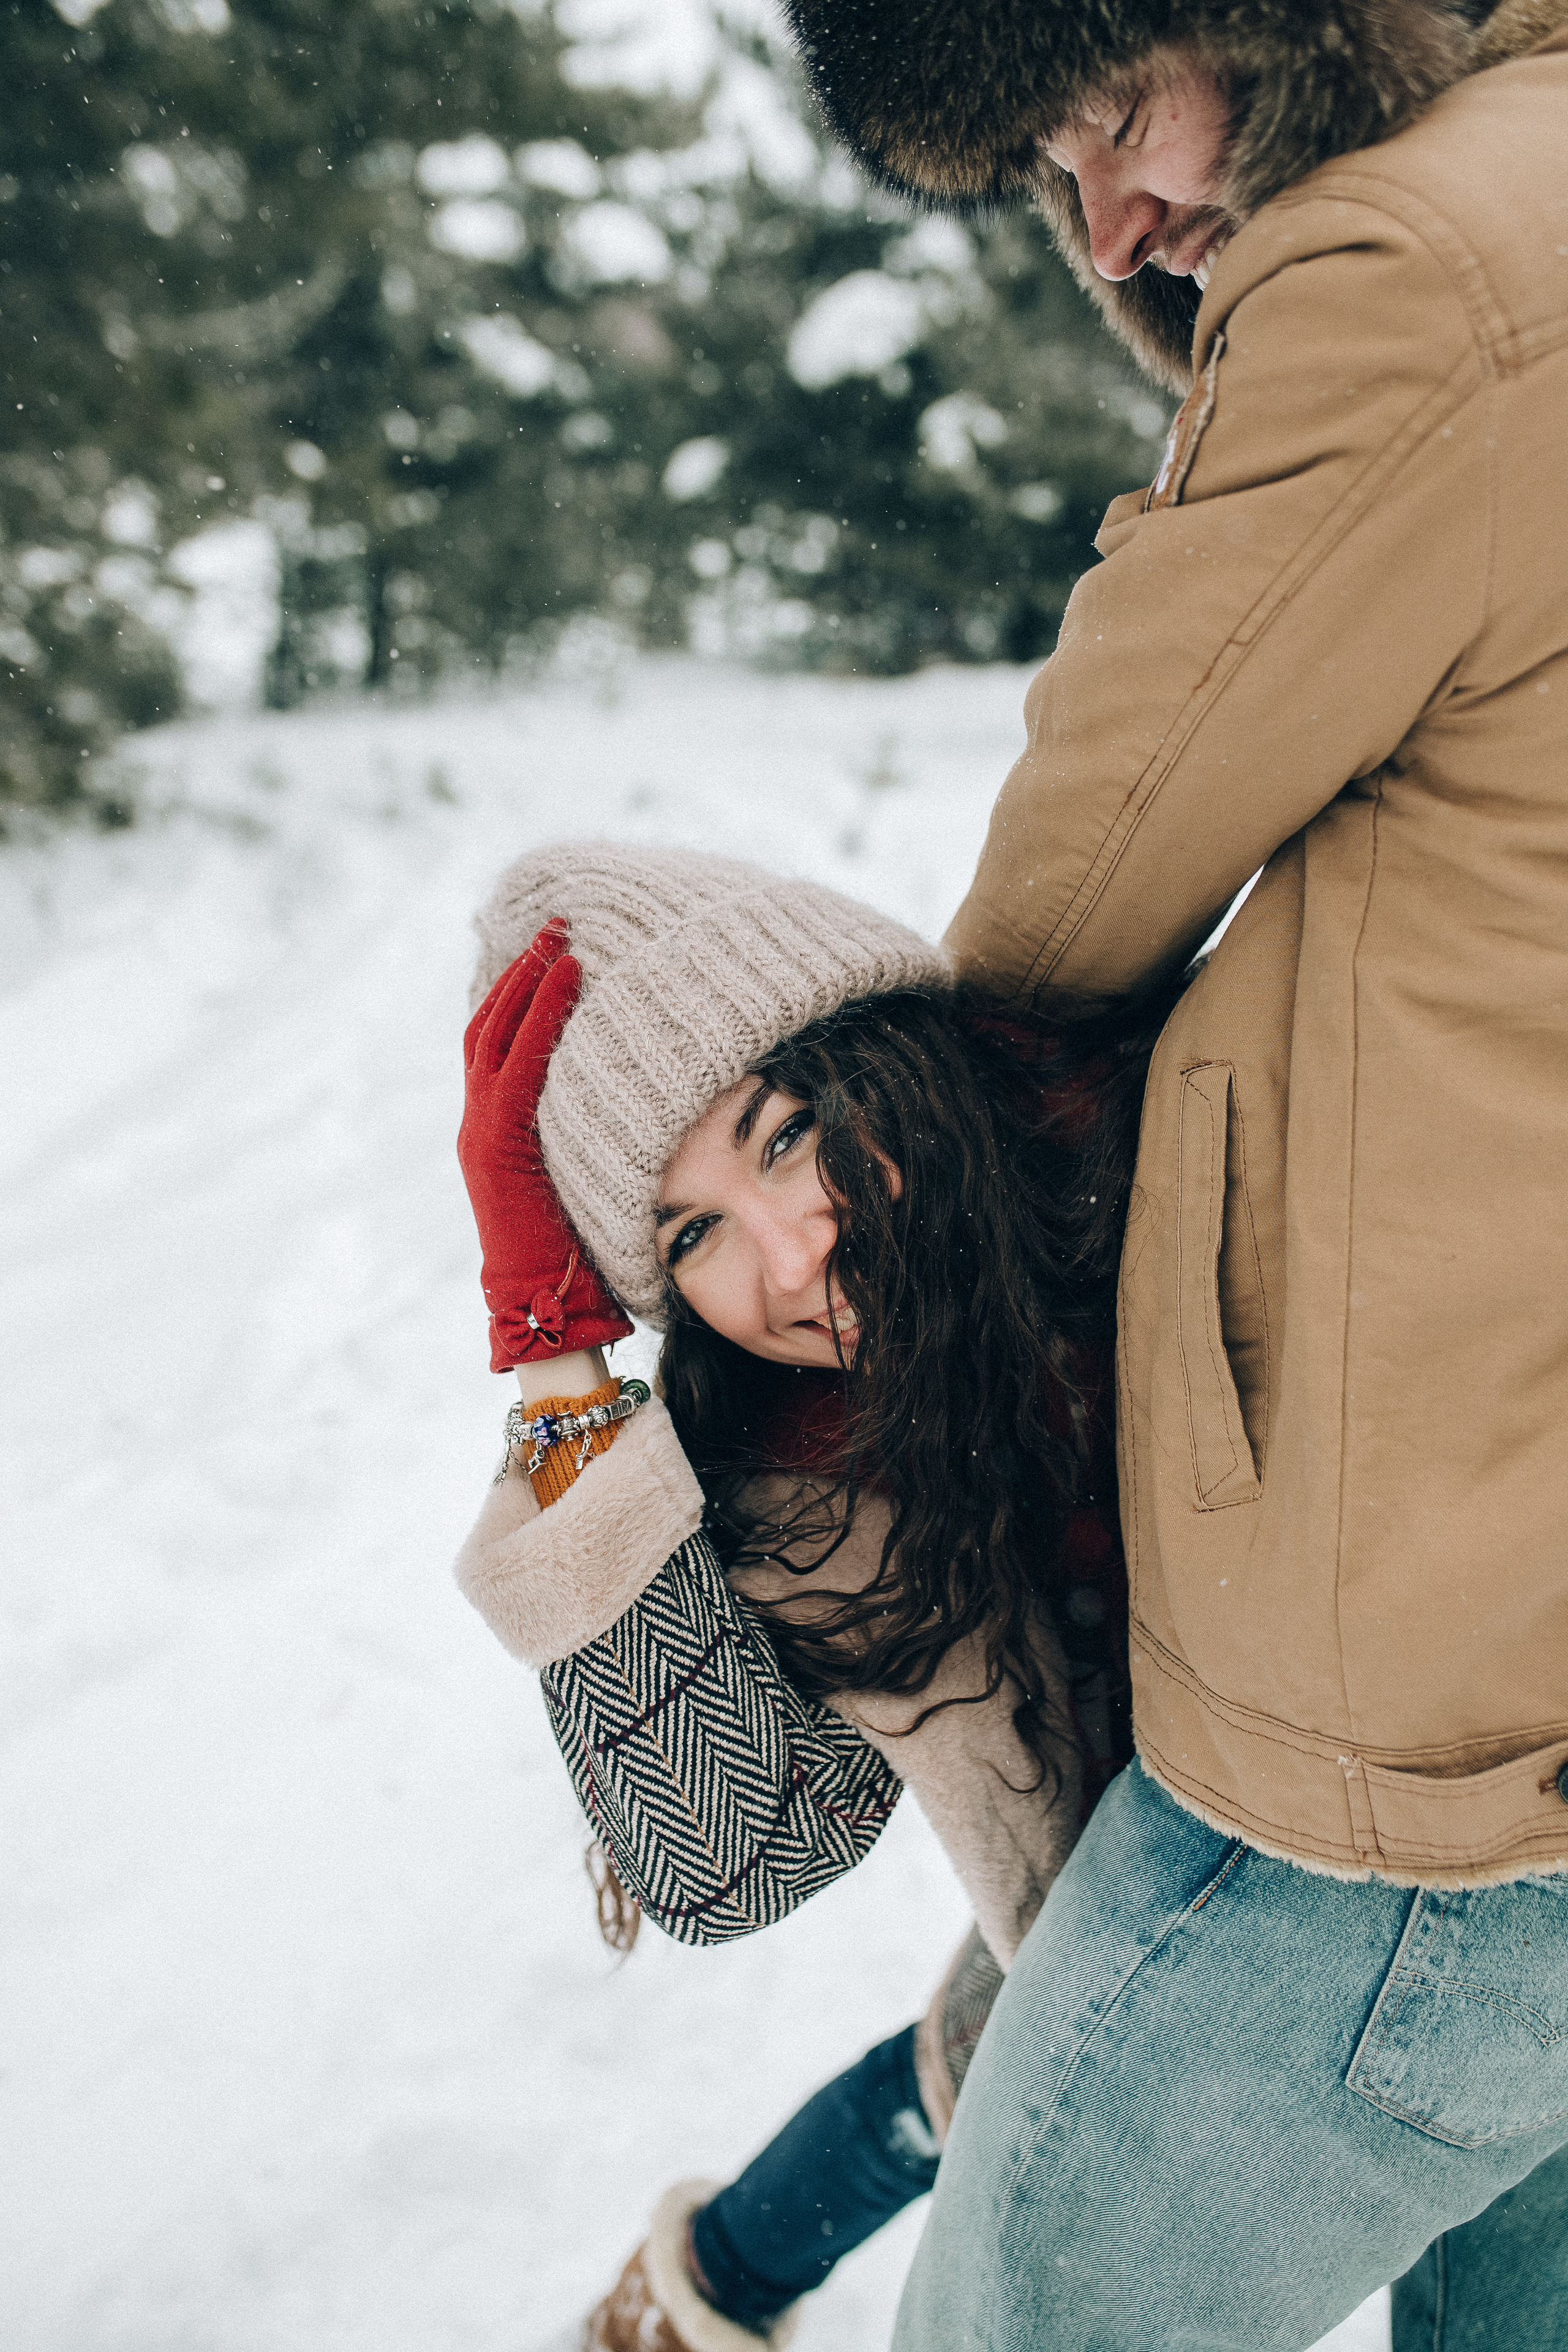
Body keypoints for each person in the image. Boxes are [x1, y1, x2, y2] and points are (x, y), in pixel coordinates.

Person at [772, 1, 1568, 2346]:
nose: (1116, 218)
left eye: (1116, 103)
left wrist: (829, 1168)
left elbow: (1077, 884)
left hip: (1390, 1759)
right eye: (1050, 165)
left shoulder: (1420, 267)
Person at [450, 843, 1157, 2349]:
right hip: (1140, 1905)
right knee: (983, 2061)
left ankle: (706, 2278)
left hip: (1414, 1812)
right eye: (686, 1235)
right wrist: (553, 1355)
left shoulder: (1160, 1148)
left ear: (884, 1057)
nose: (788, 1261)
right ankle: (699, 2287)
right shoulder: (797, 1470)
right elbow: (728, 1857)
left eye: (788, 1139)